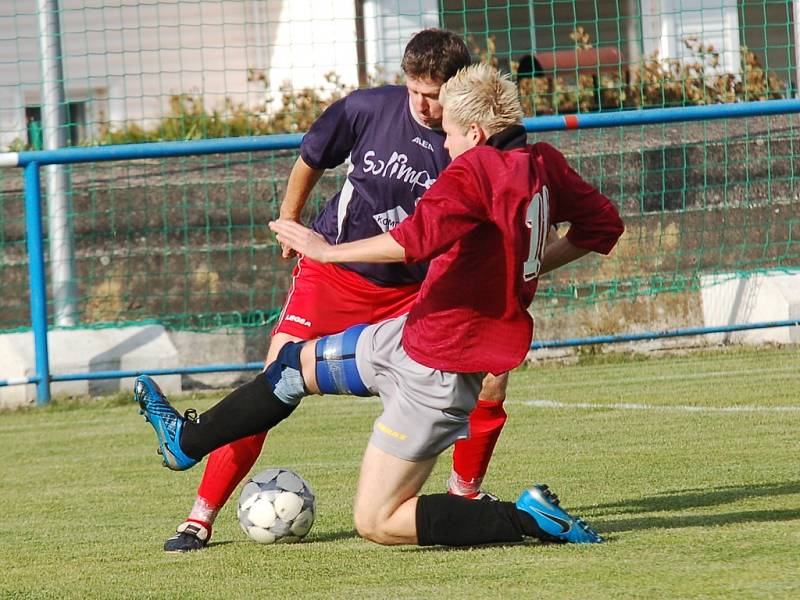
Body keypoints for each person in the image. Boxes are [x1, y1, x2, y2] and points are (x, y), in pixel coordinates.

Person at [135, 63, 624, 548]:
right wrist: (524, 267)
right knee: (290, 368)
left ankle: (523, 519)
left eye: (450, 134)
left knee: (378, 522)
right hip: (412, 334)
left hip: (435, 370)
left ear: (475, 132)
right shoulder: (544, 162)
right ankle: (186, 442)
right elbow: (603, 227)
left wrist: (325, 250)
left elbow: (411, 242)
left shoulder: (474, 168)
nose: (445, 145)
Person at [165, 28, 511, 553]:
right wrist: (289, 218)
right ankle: (201, 514)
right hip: (332, 275)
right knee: (272, 379)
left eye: (434, 96)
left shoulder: (468, 143)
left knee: (489, 382)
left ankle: (465, 493)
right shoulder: (366, 110)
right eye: (415, 90)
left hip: (416, 293)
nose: (423, 105)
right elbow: (313, 156)